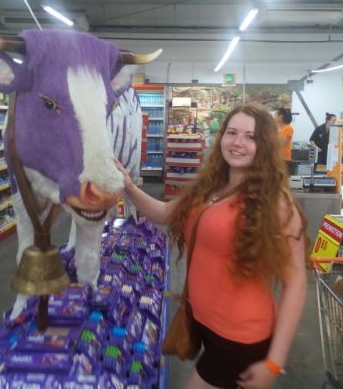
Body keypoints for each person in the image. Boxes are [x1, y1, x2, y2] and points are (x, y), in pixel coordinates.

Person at [116, 104, 308, 389]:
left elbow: (296, 283)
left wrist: (274, 362)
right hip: (207, 327)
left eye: (250, 137)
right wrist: (128, 187)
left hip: (241, 338)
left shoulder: (276, 203)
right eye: (232, 133)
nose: (238, 142)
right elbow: (164, 213)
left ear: (265, 145)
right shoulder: (210, 187)